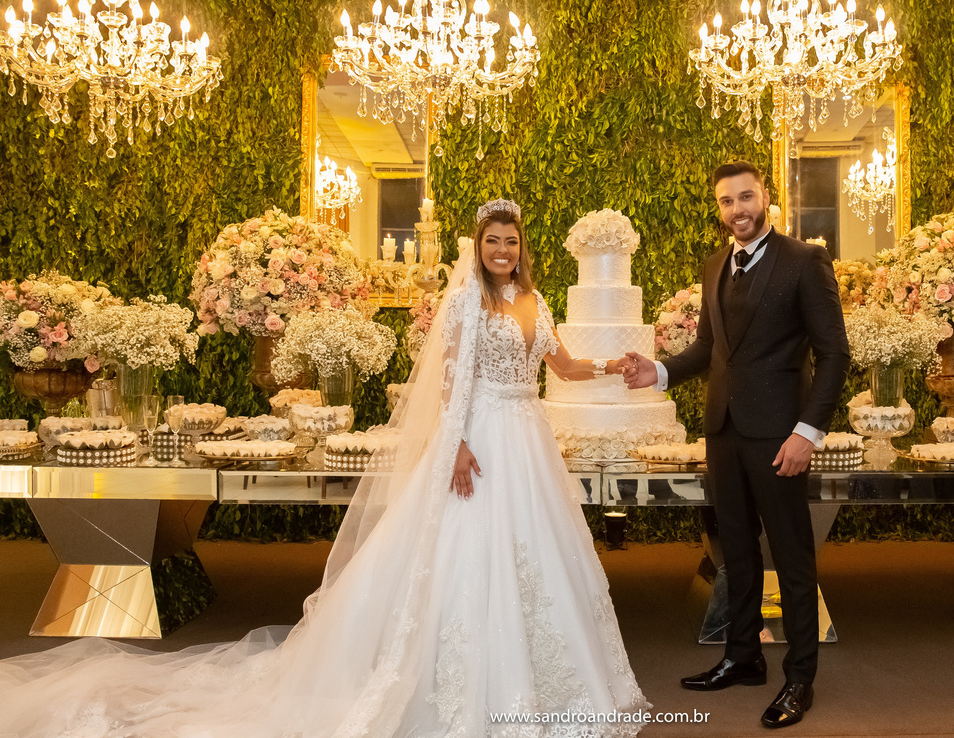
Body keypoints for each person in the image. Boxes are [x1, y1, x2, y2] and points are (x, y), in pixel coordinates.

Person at [0, 199, 648, 737]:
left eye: (510, 241)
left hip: (527, 441)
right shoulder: (466, 304)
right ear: (480, 247)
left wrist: (612, 366)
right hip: (479, 439)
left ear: (521, 247)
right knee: (468, 558)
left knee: (538, 562)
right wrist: (455, 446)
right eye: (493, 241)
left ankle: (547, 682)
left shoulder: (535, 302)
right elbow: (452, 383)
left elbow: (561, 366)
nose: (502, 250)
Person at [622, 160, 849, 729]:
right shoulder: (715, 263)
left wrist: (807, 432)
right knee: (738, 555)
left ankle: (799, 679)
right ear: (719, 207)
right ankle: (743, 657)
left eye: (746, 198)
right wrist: (661, 373)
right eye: (726, 202)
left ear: (765, 197)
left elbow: (835, 355)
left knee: (792, 560)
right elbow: (709, 348)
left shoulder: (804, 262)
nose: (737, 210)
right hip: (722, 431)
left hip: (780, 437)